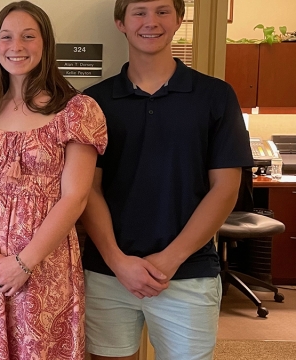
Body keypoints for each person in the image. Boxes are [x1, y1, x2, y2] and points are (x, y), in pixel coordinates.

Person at [79, 0, 253, 359]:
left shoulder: (216, 96)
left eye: (162, 11)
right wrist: (117, 261)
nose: (151, 22)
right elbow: (87, 190)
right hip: (108, 272)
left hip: (188, 272)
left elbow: (226, 189)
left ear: (179, 19)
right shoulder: (92, 103)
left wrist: (169, 260)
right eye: (139, 11)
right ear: (120, 22)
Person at [0, 2, 107, 359]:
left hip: (45, 263)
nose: (16, 46)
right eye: (6, 37)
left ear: (45, 44)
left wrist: (23, 262)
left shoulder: (75, 111)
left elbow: (75, 197)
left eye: (28, 36)